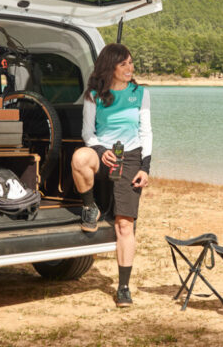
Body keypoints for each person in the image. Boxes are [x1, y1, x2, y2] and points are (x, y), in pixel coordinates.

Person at [70, 43, 152, 308]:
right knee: (79, 157)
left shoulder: (140, 94)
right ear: (110, 67)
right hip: (103, 153)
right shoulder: (94, 95)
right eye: (124, 64)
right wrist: (100, 149)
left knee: (124, 225)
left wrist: (145, 167)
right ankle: (89, 207)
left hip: (130, 156)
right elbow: (87, 133)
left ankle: (124, 287)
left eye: (131, 63)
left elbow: (146, 132)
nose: (130, 68)